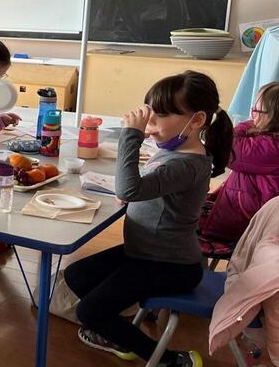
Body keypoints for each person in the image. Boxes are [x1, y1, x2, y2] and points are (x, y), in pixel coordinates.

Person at [64, 71, 234, 367]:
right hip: (145, 253)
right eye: (149, 116)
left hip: (171, 264)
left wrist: (130, 136)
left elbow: (130, 186)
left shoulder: (188, 164)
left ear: (196, 120)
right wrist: (132, 191)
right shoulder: (176, 154)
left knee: (90, 312)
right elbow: (141, 188)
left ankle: (169, 359)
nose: (150, 126)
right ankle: (119, 334)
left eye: (159, 117)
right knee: (77, 274)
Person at [198, 81, 279, 251]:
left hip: (246, 223)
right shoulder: (268, 140)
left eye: (257, 111)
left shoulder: (271, 147)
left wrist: (248, 125)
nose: (252, 115)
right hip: (248, 214)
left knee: (179, 226)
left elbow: (226, 148)